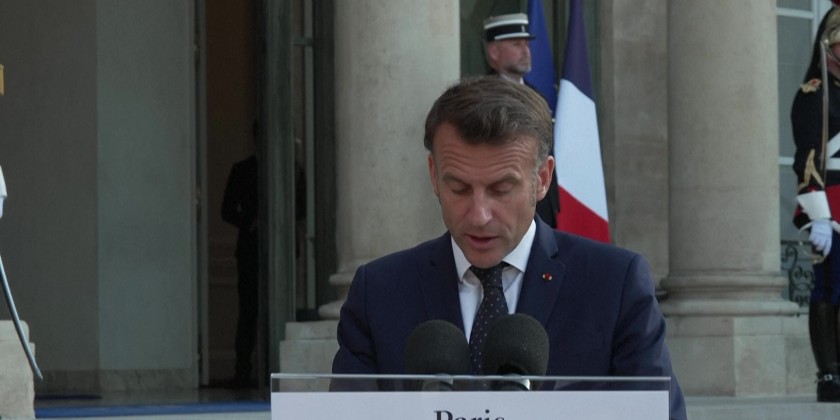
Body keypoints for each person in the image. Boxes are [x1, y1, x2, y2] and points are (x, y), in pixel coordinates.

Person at [331, 77, 686, 419]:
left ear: (542, 179)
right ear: (434, 175)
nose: (479, 215)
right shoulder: (379, 292)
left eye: (501, 189)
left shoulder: (614, 286)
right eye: (459, 189)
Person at [791, 6, 840, 403]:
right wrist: (818, 216)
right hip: (830, 204)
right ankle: (830, 373)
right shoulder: (814, 93)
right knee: (829, 288)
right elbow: (807, 156)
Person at [484, 13, 560, 228]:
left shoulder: (538, 96)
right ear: (494, 51)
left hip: (541, 201)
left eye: (526, 44)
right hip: (500, 202)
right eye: (516, 44)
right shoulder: (481, 98)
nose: (526, 51)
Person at [222, 147, 259, 388]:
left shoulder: (292, 168)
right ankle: (242, 371)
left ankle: (271, 368)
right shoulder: (242, 170)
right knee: (247, 312)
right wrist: (250, 223)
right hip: (249, 251)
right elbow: (226, 210)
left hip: (281, 253)